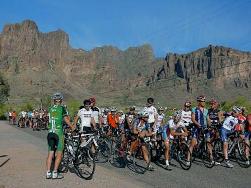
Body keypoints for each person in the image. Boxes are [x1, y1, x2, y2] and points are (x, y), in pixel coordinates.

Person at [46, 92, 74, 179]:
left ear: (54, 100)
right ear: (61, 100)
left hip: (50, 132)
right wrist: (72, 127)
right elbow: (66, 119)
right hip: (58, 133)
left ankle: (48, 173)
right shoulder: (62, 108)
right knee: (59, 154)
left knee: (50, 153)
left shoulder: (50, 108)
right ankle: (55, 173)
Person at [187, 95, 208, 164]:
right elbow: (193, 119)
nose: (204, 102)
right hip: (197, 128)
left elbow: (208, 119)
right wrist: (198, 125)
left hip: (204, 128)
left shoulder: (206, 110)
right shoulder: (194, 109)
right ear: (199, 102)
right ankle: (188, 159)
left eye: (204, 101)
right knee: (192, 144)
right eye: (202, 101)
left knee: (208, 142)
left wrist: (211, 125)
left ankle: (211, 159)